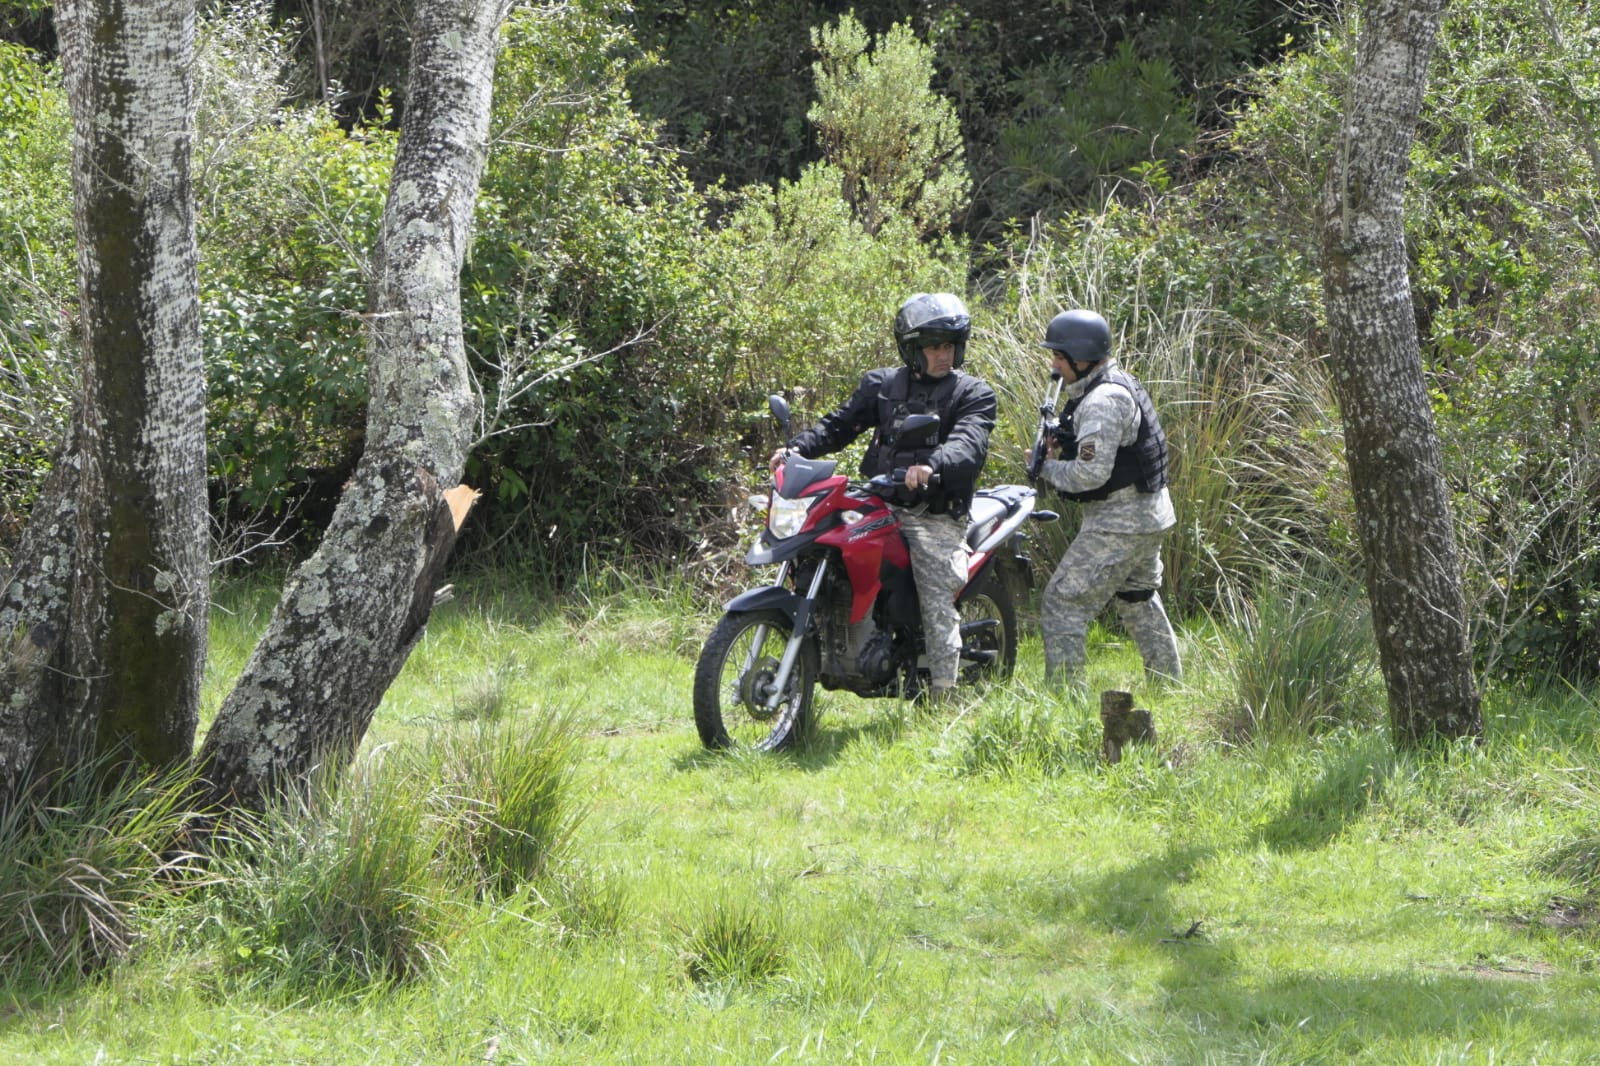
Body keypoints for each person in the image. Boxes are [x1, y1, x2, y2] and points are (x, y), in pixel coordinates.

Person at [770, 292, 997, 703]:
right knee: (817, 544)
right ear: (912, 349)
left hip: (933, 514)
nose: (943, 355)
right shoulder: (883, 385)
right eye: (933, 346)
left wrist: (933, 464)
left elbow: (970, 441)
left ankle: (946, 701)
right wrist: (797, 450)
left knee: (935, 598)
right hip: (880, 499)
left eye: (949, 345)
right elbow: (839, 425)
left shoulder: (973, 393)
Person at [1030, 309, 1182, 687]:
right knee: (1137, 598)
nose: (1054, 364)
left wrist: (1043, 469)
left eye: (1059, 357)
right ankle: (1169, 686)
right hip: (1145, 515)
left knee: (1063, 603)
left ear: (1081, 359)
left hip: (1122, 521)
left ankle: (1065, 698)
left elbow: (1089, 474)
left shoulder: (1102, 401)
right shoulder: (1108, 386)